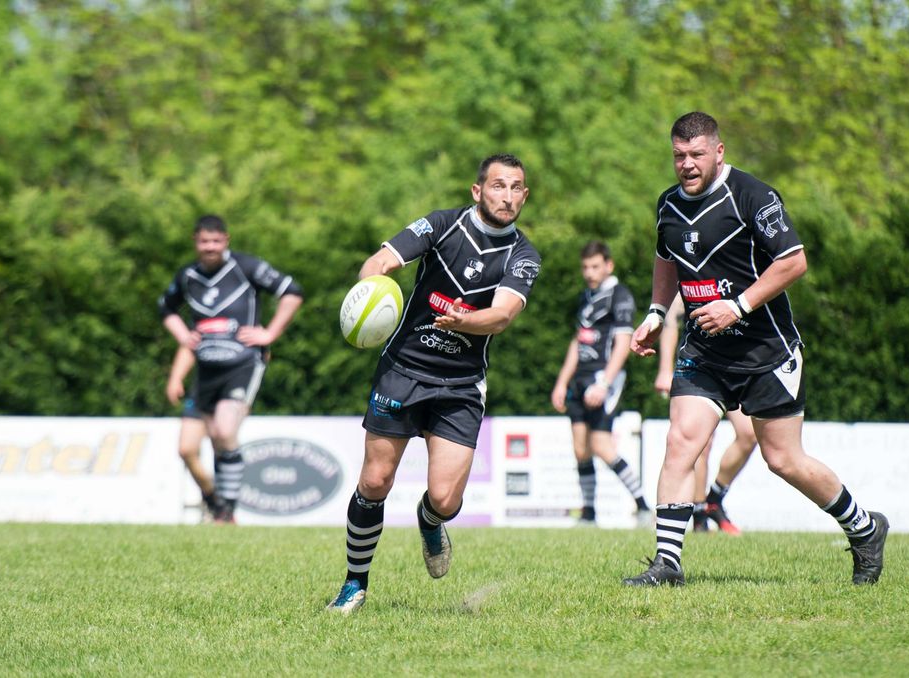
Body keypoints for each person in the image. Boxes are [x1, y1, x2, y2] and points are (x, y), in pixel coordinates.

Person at [624, 112, 888, 587]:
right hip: (704, 352)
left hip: (767, 351)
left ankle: (865, 529)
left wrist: (738, 306)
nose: (687, 164)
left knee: (784, 460)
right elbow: (665, 260)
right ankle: (668, 563)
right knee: (682, 439)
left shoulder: (752, 195)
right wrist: (656, 314)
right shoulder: (667, 205)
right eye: (679, 156)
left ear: (718, 152)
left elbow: (794, 261)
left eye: (697, 154)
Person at [327, 153, 541, 616]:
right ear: (477, 190)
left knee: (446, 498)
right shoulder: (442, 225)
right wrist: (369, 293)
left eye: (516, 188)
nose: (507, 196)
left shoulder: (523, 255)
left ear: (524, 195)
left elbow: (502, 315)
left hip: (461, 385)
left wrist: (462, 321)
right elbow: (380, 261)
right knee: (375, 481)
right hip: (402, 370)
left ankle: (429, 520)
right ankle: (354, 585)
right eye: (498, 186)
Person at [159, 215, 303, 524]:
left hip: (242, 365)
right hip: (204, 373)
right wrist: (183, 340)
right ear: (195, 242)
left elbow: (292, 291)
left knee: (224, 432)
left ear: (226, 240)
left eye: (215, 241)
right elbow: (166, 309)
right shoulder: (187, 275)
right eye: (203, 241)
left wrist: (270, 333)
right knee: (186, 449)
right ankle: (214, 499)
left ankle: (227, 513)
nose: (209, 247)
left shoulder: (245, 267)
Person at [550, 241, 650, 527]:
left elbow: (622, 343)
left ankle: (643, 506)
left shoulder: (620, 295)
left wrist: (604, 383)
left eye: (595, 266)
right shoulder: (586, 296)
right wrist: (561, 382)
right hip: (580, 379)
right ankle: (589, 514)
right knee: (580, 449)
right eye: (585, 267)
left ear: (609, 265)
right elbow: (577, 340)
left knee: (602, 446)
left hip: (603, 379)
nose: (590, 272)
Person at [653, 295, 757, 535]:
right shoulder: (694, 269)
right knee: (701, 443)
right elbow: (671, 317)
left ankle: (714, 499)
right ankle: (699, 513)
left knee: (749, 434)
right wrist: (665, 369)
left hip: (738, 365)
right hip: (698, 364)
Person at [165, 345, 217, 520]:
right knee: (186, 449)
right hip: (201, 392)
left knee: (222, 449)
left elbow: (261, 352)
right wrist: (176, 378)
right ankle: (213, 498)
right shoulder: (203, 319)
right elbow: (189, 344)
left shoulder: (244, 317)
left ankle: (224, 511)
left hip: (230, 393)